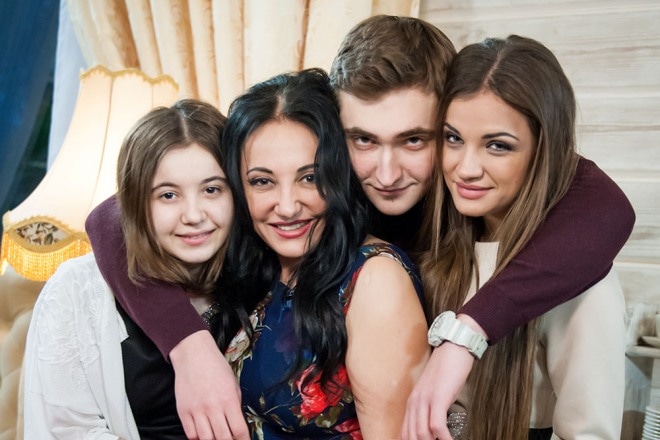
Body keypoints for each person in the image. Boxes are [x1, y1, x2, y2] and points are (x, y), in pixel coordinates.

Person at [84, 15, 635, 438]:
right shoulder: (316, 202)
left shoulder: (552, 246)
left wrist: (466, 336)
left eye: (414, 139)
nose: (387, 174)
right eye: (363, 139)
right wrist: (189, 347)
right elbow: (116, 215)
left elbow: (609, 207)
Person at [403, 35, 626, 440]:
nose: (466, 168)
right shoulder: (431, 237)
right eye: (453, 138)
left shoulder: (580, 276)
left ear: (543, 151)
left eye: (497, 146)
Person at [214, 68, 429, 437]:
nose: (287, 207)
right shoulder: (257, 263)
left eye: (310, 178)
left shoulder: (375, 280)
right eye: (263, 181)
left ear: (339, 176)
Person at [22, 99, 247, 439]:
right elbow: (64, 429)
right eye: (168, 195)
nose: (194, 215)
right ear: (137, 202)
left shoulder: (261, 273)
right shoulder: (76, 290)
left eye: (212, 189)